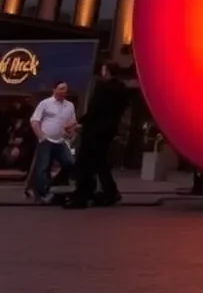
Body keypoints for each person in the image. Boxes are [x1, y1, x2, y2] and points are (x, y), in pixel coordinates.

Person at [65, 61, 129, 209]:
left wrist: (79, 122)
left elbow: (95, 109)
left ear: (106, 72)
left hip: (94, 130)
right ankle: (110, 191)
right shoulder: (122, 89)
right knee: (100, 161)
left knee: (84, 161)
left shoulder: (102, 87)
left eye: (103, 70)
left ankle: (82, 194)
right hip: (109, 130)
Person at [28, 80, 77, 203]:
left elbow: (72, 123)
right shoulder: (45, 103)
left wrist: (71, 131)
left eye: (65, 89)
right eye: (60, 88)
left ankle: (54, 183)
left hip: (61, 141)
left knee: (70, 162)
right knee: (43, 167)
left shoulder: (69, 105)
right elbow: (34, 121)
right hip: (47, 140)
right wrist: (41, 136)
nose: (63, 91)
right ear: (54, 90)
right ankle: (42, 193)